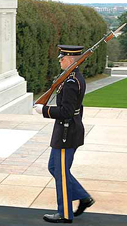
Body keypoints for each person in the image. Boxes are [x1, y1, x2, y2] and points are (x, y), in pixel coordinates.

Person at [34, 45, 95, 224]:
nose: (60, 60)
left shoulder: (70, 82)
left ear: (71, 59)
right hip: (67, 130)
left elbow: (67, 111)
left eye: (63, 57)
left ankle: (65, 214)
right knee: (54, 167)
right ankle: (83, 197)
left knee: (60, 172)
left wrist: (44, 110)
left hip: (66, 133)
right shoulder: (71, 78)